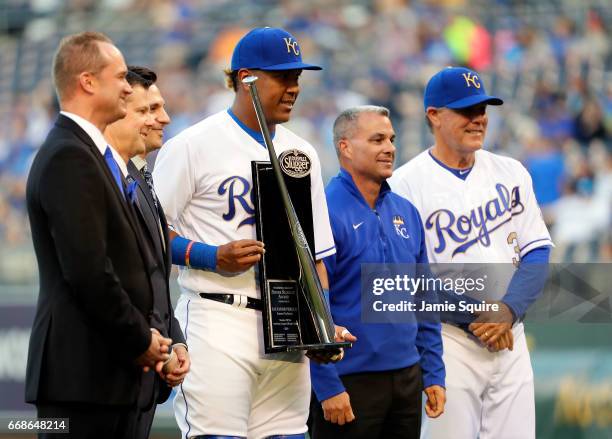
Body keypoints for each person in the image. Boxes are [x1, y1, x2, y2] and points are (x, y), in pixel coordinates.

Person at [153, 27, 350, 439]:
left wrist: (322, 322)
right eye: (283, 77)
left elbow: (313, 257)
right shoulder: (193, 144)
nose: (294, 87)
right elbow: (149, 234)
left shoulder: (303, 152)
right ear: (246, 78)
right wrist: (210, 256)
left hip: (288, 324)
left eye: (297, 77)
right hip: (217, 314)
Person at [389, 66, 553, 439]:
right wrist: (478, 315)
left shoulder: (510, 171)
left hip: (510, 334)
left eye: (482, 108)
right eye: (466, 110)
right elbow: (405, 279)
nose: (478, 118)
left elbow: (537, 251)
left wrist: (508, 310)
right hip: (446, 341)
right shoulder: (404, 186)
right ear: (434, 115)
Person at [25, 31, 172, 438]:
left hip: (109, 378)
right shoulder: (69, 156)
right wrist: (142, 339)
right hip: (81, 382)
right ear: (88, 82)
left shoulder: (98, 158)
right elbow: (89, 272)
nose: (128, 86)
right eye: (121, 76)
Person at [309, 106, 446, 439]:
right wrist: (327, 387)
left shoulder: (406, 212)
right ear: (345, 147)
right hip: (349, 381)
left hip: (407, 379)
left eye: (391, 139)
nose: (390, 147)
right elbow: (310, 305)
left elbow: (423, 298)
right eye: (377, 139)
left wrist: (434, 374)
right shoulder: (323, 212)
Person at [103, 66, 190, 439]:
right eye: (149, 109)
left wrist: (176, 339)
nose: (163, 118)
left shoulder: (139, 176)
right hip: (103, 376)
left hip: (144, 376)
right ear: (119, 111)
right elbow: (98, 277)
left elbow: (154, 276)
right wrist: (149, 344)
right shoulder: (96, 175)